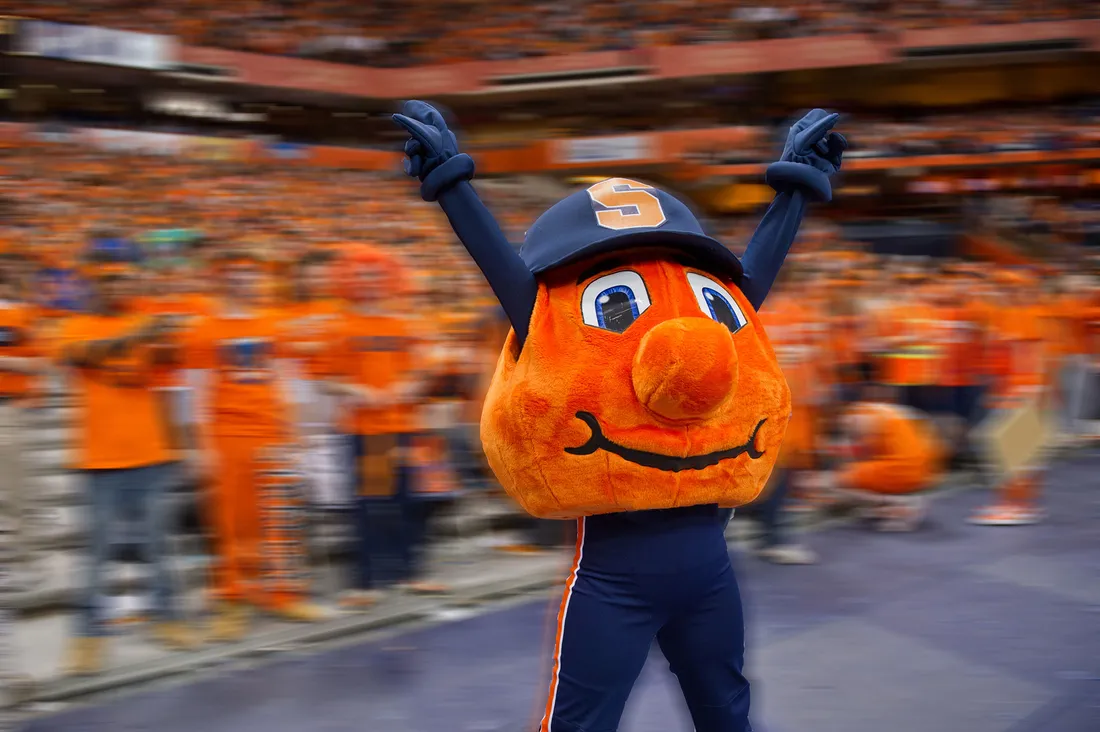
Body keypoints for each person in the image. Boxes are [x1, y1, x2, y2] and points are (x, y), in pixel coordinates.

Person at [394, 100, 844, 732]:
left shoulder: (709, 312)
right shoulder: (558, 321)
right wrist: (450, 182)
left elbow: (751, 287)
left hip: (710, 571)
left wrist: (795, 189)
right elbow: (505, 277)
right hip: (613, 579)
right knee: (580, 723)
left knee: (728, 711)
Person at [55, 259, 197, 676]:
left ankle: (168, 617)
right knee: (95, 554)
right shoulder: (75, 324)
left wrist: (172, 338)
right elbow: (73, 355)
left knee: (159, 545)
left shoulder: (148, 321)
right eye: (110, 279)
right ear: (95, 285)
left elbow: (170, 374)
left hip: (151, 452)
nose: (119, 285)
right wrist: (140, 333)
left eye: (125, 279)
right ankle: (88, 636)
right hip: (99, 458)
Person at [183, 250, 326, 640]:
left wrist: (296, 431)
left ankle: (284, 593)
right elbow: (193, 391)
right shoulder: (202, 329)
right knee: (232, 525)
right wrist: (200, 446)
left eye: (250, 274)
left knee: (283, 519)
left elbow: (290, 381)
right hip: (227, 436)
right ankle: (233, 598)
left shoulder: (274, 324)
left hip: (273, 433)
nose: (243, 281)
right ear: (221, 278)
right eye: (235, 273)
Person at [322, 246, 440, 607]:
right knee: (370, 505)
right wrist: (354, 389)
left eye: (376, 275)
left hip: (406, 427)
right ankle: (366, 581)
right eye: (361, 275)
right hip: (365, 432)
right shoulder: (339, 325)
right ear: (347, 281)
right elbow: (325, 377)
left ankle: (411, 572)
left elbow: (426, 367)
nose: (370, 283)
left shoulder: (405, 322)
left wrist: (409, 386)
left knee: (412, 501)